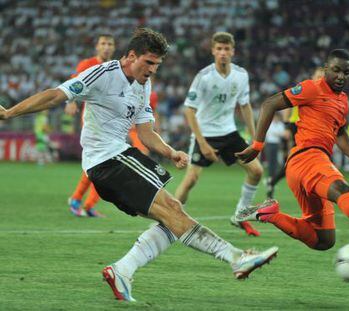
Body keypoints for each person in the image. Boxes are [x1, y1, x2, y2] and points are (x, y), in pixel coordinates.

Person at [0, 27, 278, 302]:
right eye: (149, 63)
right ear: (131, 56)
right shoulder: (103, 74)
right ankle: (236, 258)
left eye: (157, 65)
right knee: (172, 210)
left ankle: (122, 270)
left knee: (172, 216)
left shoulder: (144, 84)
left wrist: (171, 152)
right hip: (107, 160)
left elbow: (145, 131)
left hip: (120, 157)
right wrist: (10, 113)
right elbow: (55, 95)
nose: (153, 70)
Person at [235, 49, 349, 250]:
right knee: (342, 190)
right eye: (336, 70)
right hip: (308, 158)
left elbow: (340, 131)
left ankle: (270, 214)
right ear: (325, 68)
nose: (340, 76)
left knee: (323, 240)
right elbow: (269, 104)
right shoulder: (312, 88)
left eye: (346, 73)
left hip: (303, 167)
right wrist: (257, 145)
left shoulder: (342, 100)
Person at [174, 32, 263, 236]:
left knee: (256, 171)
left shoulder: (241, 75)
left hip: (229, 132)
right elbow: (189, 110)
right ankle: (171, 219)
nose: (223, 53)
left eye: (227, 49)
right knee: (191, 180)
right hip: (204, 133)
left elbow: (245, 105)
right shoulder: (203, 76)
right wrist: (203, 144)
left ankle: (240, 214)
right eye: (219, 49)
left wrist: (255, 137)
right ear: (213, 51)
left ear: (233, 51)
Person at [66, 34, 116, 217]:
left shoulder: (115, 67)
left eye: (110, 44)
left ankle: (83, 202)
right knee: (104, 163)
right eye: (103, 43)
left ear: (114, 47)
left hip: (111, 121)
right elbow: (72, 85)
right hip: (93, 120)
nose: (106, 47)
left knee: (102, 163)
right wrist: (70, 101)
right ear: (97, 46)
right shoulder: (87, 64)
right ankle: (82, 202)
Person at [266, 67, 325, 199]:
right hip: (295, 127)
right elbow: (288, 104)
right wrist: (287, 126)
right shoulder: (305, 88)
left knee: (299, 161)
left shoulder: (324, 94)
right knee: (297, 161)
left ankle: (273, 181)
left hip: (310, 130)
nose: (320, 78)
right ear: (313, 76)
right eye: (318, 75)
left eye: (322, 76)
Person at [263, 113, 286, 198]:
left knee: (275, 163)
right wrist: (277, 134)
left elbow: (283, 134)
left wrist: (276, 133)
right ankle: (270, 177)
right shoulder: (270, 124)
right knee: (270, 162)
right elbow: (269, 134)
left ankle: (272, 179)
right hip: (269, 144)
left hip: (277, 144)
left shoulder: (280, 124)